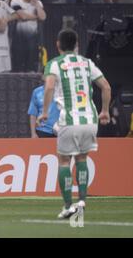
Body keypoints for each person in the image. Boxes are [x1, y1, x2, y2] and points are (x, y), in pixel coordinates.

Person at [37, 29, 111, 219]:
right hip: (90, 119)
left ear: (58, 44)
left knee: (64, 161)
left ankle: (68, 205)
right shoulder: (87, 63)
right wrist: (105, 111)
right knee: (81, 159)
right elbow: (106, 86)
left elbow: (50, 87)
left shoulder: (54, 64)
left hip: (69, 119)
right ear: (77, 44)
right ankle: (82, 200)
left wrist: (44, 112)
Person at [11, 0, 46, 72]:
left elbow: (42, 17)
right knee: (18, 67)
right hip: (18, 39)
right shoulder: (16, 1)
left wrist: (36, 5)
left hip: (33, 40)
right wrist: (36, 17)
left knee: (31, 68)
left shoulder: (38, 3)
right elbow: (23, 17)